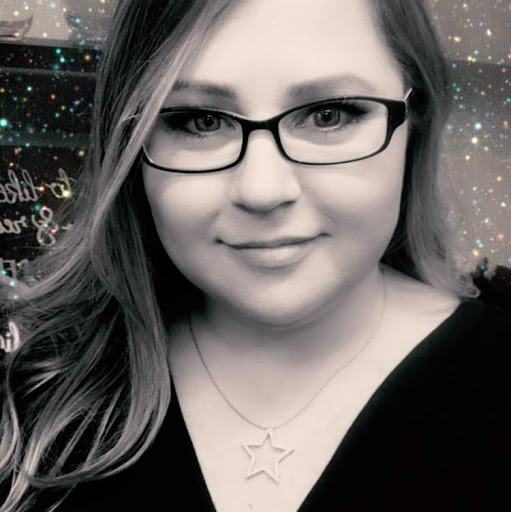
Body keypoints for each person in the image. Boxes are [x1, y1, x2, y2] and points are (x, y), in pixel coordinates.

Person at [1, 0, 510, 510]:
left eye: (328, 115)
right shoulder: (37, 401)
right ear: (131, 148)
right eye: (200, 121)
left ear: (414, 123)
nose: (263, 191)